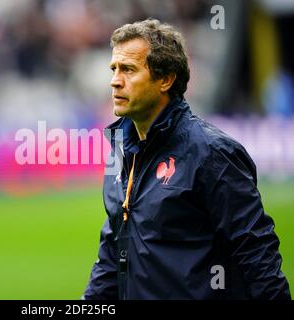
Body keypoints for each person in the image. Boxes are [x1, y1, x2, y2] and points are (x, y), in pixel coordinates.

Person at [83, 19, 291, 300]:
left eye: (128, 70)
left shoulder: (212, 152)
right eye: (114, 69)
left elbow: (257, 255)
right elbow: (112, 251)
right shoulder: (120, 151)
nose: (115, 80)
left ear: (165, 80)